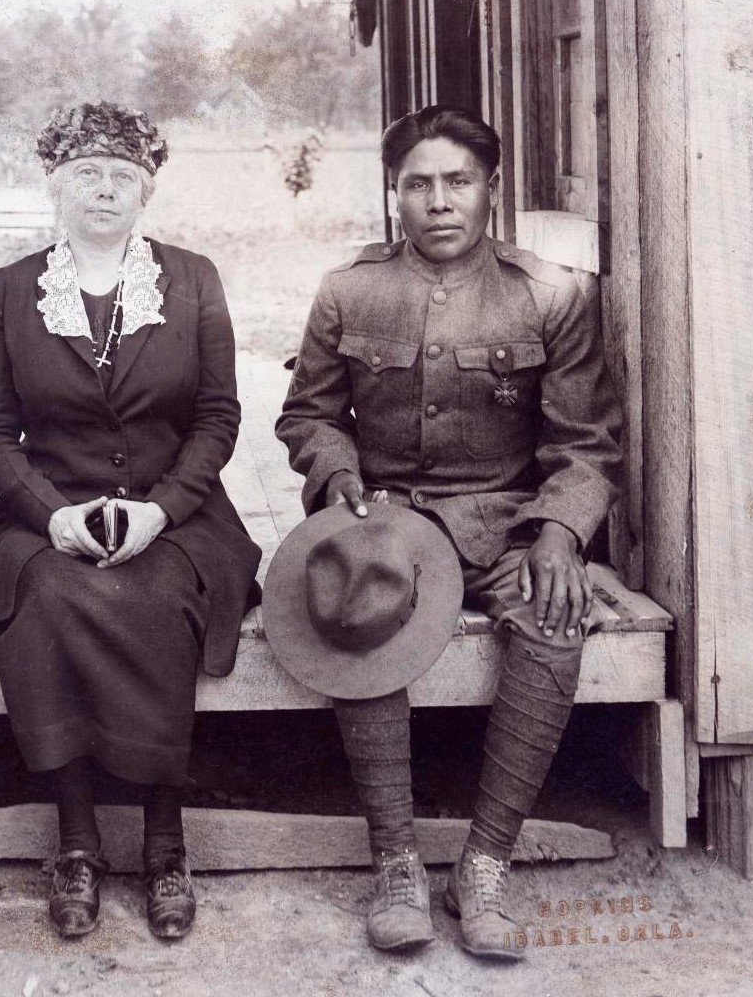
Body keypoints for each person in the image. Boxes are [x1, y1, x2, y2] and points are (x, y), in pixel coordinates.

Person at [276, 105, 622, 961]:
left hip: (506, 522)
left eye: (457, 183)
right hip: (383, 521)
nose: (438, 202)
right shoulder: (349, 289)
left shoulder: (550, 292)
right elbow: (307, 417)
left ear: (489, 191)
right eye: (417, 184)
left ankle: (484, 866)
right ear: (394, 194)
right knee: (356, 609)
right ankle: (394, 862)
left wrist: (559, 535)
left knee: (553, 617)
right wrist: (337, 472)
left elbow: (584, 445)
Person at [0, 101, 261, 942]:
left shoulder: (192, 278)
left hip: (178, 512)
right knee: (50, 594)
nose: (104, 190)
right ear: (55, 184)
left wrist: (160, 511)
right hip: (45, 513)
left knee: (158, 592)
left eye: (122, 176)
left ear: (146, 191)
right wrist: (51, 517)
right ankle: (78, 841)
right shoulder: (10, 290)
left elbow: (217, 417)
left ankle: (165, 840)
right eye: (86, 173)